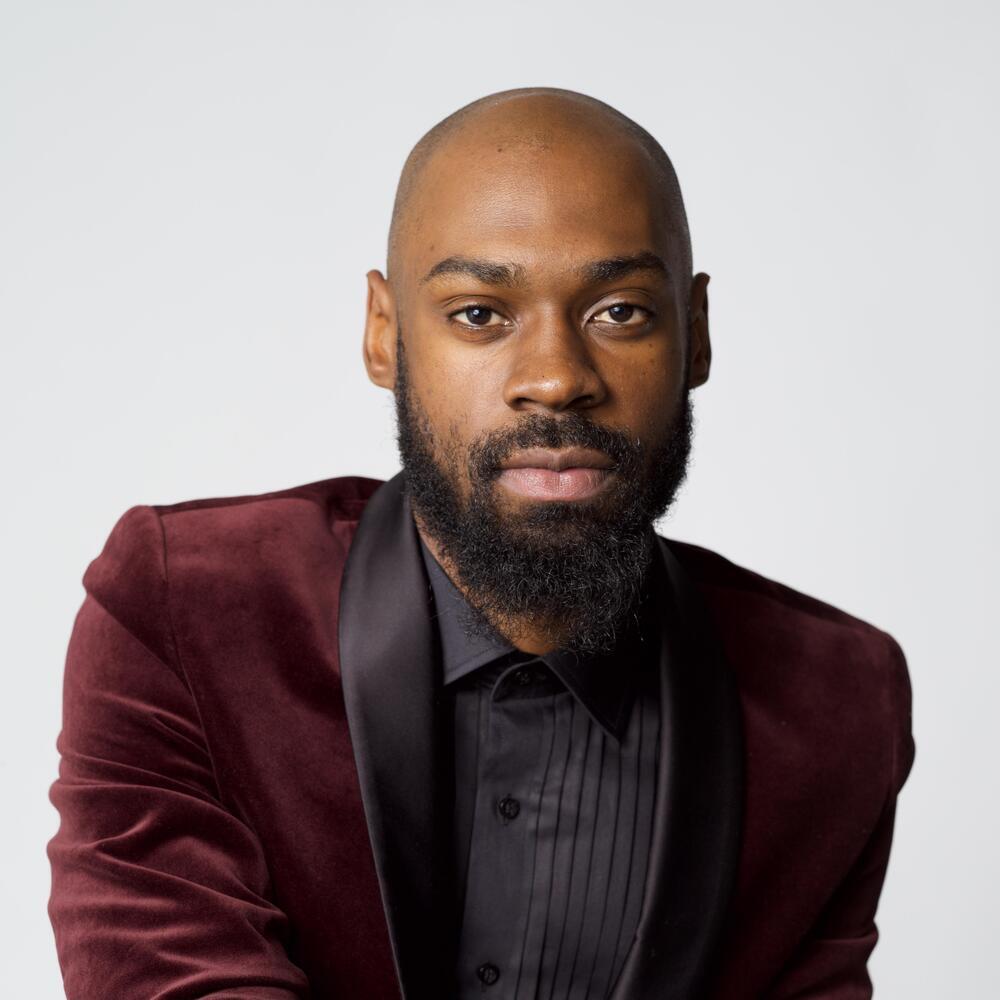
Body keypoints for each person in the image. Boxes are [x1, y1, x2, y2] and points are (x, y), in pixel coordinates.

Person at [46, 87, 915, 1000]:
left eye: (620, 311)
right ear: (385, 335)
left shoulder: (837, 705)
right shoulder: (185, 611)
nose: (556, 379)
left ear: (695, 335)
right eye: (479, 314)